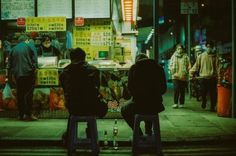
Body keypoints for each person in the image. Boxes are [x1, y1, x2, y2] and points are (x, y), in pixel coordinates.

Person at [60, 47, 108, 140]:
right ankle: (91, 130)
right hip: (91, 107)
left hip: (73, 107)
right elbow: (96, 89)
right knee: (94, 103)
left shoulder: (64, 72)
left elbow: (66, 90)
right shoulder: (94, 70)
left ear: (71, 58)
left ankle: (69, 135)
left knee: (74, 106)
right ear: (84, 57)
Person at [121, 53, 167, 136]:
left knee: (124, 109)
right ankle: (148, 132)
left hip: (138, 104)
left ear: (137, 60)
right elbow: (163, 89)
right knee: (149, 106)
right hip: (156, 105)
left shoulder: (134, 68)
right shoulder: (159, 68)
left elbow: (130, 89)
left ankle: (139, 135)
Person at [8, 34, 38, 121]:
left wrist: (12, 74)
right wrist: (35, 68)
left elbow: (9, 63)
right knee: (29, 94)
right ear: (26, 40)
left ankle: (21, 115)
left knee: (20, 94)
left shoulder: (13, 49)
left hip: (18, 75)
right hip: (28, 73)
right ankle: (28, 114)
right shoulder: (30, 46)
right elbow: (35, 59)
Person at [190, 41, 218, 111]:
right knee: (203, 91)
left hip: (212, 77)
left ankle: (212, 106)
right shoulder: (201, 56)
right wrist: (191, 72)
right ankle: (204, 101)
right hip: (203, 77)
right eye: (208, 47)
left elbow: (217, 67)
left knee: (213, 93)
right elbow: (196, 65)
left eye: (210, 47)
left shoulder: (215, 56)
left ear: (212, 47)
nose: (209, 48)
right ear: (206, 47)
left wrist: (219, 75)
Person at [169, 44, 191, 108]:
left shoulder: (186, 57)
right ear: (176, 49)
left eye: (180, 48)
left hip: (183, 76)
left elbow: (189, 65)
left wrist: (188, 72)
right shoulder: (173, 56)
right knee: (176, 89)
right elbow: (170, 65)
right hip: (175, 76)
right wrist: (172, 72)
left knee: (182, 90)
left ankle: (181, 103)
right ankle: (175, 103)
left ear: (183, 49)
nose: (179, 50)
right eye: (178, 48)